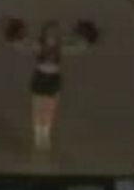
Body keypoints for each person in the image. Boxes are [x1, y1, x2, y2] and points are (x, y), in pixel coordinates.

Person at [9, 21, 90, 151]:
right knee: (38, 107)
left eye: (55, 33)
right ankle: (38, 134)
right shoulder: (39, 45)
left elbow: (77, 48)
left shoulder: (59, 46)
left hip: (53, 78)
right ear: (44, 34)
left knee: (49, 108)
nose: (52, 36)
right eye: (50, 33)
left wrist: (82, 38)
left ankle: (45, 134)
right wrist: (17, 37)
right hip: (41, 77)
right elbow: (23, 46)